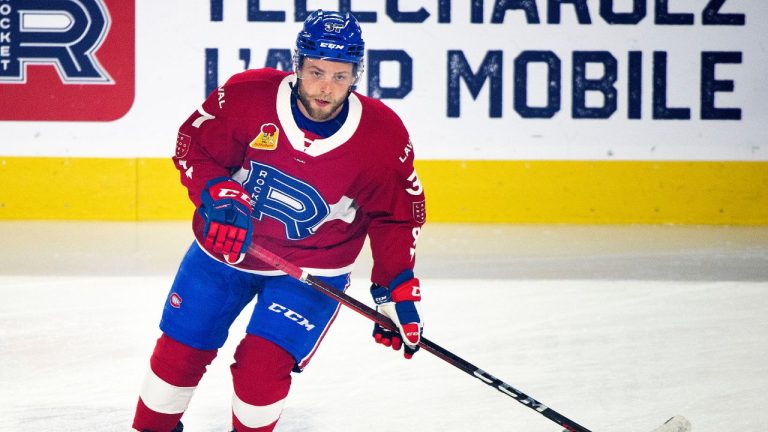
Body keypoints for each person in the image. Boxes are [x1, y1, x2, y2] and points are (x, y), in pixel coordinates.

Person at [131, 9, 427, 432]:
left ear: (356, 75)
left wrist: (395, 290)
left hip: (312, 269)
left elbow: (395, 216)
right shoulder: (247, 96)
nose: (326, 88)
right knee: (178, 356)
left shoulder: (382, 136)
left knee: (260, 374)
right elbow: (193, 146)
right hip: (224, 254)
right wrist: (219, 193)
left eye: (340, 76)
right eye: (316, 72)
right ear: (297, 64)